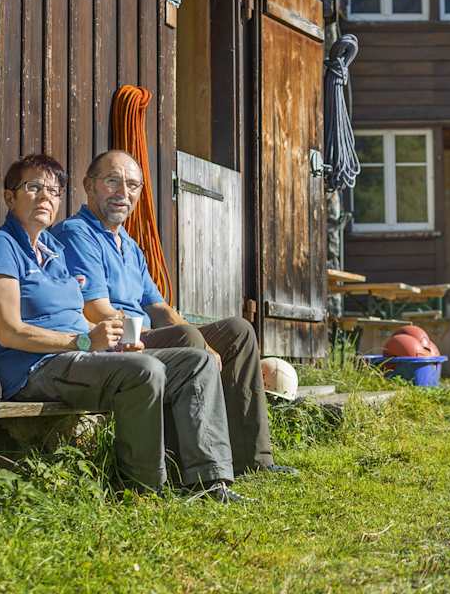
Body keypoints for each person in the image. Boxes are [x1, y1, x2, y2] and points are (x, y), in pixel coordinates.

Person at [0, 153, 244, 502]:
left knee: (196, 361)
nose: (45, 197)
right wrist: (84, 341)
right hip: (36, 368)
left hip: (77, 355)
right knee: (145, 371)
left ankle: (209, 483)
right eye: (33, 187)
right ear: (10, 197)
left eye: (53, 191)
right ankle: (142, 490)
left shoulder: (52, 249)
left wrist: (113, 344)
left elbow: (78, 316)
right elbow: (10, 332)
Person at [51, 149, 295, 476]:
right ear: (89, 185)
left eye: (133, 186)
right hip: (116, 343)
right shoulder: (77, 233)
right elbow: (96, 310)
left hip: (148, 335)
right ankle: (184, 462)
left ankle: (253, 460)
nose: (124, 193)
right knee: (186, 336)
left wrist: (208, 343)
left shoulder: (129, 245)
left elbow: (160, 308)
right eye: (113, 182)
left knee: (238, 332)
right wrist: (193, 340)